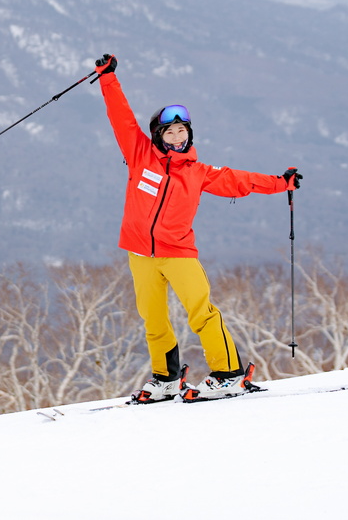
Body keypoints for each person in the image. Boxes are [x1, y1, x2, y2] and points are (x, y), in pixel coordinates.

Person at [93, 53, 302, 403]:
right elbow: (121, 118)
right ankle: (165, 379)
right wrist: (108, 79)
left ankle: (229, 374)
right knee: (153, 320)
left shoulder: (199, 172)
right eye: (170, 131)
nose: (177, 136)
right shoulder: (139, 154)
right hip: (140, 254)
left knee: (202, 314)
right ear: (158, 136)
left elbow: (240, 181)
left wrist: (282, 183)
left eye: (182, 130)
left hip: (178, 253)